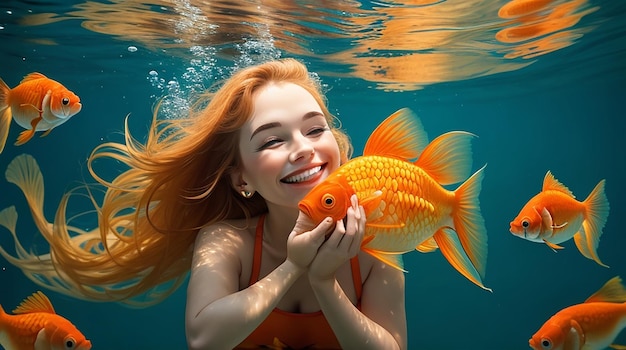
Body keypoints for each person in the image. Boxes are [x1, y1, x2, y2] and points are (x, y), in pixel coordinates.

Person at [1, 58, 407, 349]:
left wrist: (324, 282)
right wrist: (295, 267)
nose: (303, 149)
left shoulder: (378, 241)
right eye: (271, 139)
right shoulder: (226, 239)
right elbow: (204, 338)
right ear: (241, 178)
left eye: (315, 129)